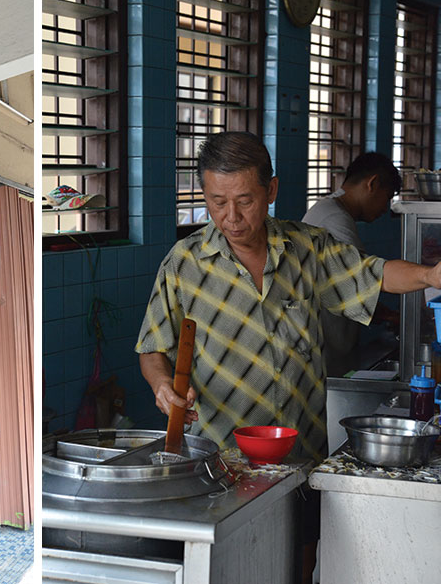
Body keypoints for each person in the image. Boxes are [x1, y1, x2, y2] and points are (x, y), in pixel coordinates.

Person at [137, 132, 441, 460]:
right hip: (222, 454)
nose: (231, 217)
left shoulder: (307, 248)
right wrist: (162, 385)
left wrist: (429, 275)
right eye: (217, 202)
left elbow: (372, 273)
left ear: (271, 191)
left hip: (301, 450)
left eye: (244, 201)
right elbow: (153, 346)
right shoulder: (184, 263)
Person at [302, 152, 402, 377]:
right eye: (386, 198)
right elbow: (359, 286)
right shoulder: (335, 221)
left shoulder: (329, 210)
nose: (385, 210)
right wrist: (395, 318)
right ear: (372, 184)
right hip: (322, 355)